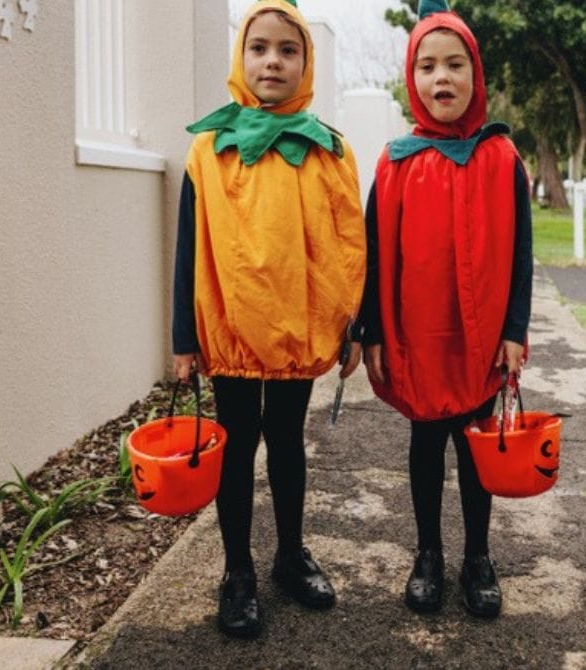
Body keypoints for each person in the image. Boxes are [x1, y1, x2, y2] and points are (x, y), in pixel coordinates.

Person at [172, 0, 365, 639]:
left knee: (285, 440)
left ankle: (288, 554)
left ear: (306, 62)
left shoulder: (326, 149)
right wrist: (183, 337)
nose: (272, 61)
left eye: (288, 50)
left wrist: (350, 325)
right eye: (259, 48)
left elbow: (347, 244)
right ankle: (237, 572)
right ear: (241, 56)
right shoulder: (209, 149)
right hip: (229, 323)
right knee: (236, 443)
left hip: (295, 324)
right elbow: (188, 246)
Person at [357, 0, 533, 620]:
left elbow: (521, 254)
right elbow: (372, 252)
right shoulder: (396, 161)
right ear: (413, 78)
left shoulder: (502, 158)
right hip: (418, 333)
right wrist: (372, 329)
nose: (442, 79)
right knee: (426, 441)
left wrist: (514, 329)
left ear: (475, 74)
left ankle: (477, 557)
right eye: (428, 66)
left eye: (455, 64)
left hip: (480, 335)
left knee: (476, 444)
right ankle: (428, 553)